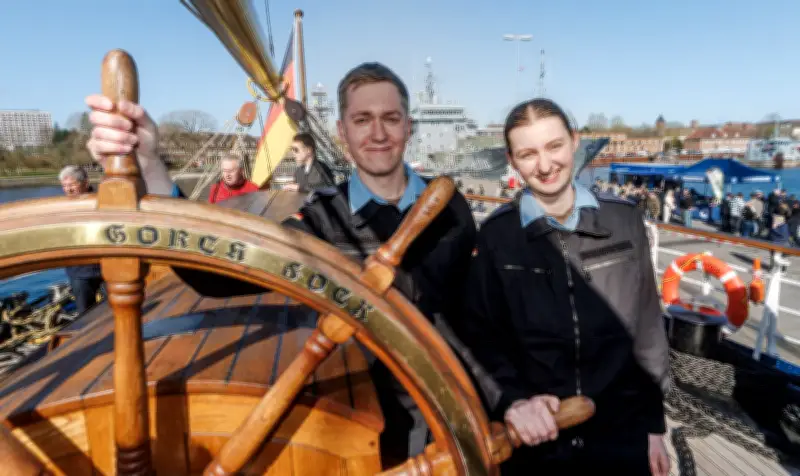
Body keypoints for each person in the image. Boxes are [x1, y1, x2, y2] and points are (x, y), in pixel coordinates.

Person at [84, 62, 477, 467]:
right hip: (372, 415)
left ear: (407, 127)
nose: (378, 133)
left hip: (460, 401)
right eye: (362, 119)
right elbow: (214, 277)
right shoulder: (323, 218)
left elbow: (480, 311)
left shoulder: (452, 207)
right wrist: (150, 165)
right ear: (343, 132)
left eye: (390, 119)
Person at [455, 98, 670, 475]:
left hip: (620, 429)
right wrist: (513, 401)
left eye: (554, 146)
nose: (544, 165)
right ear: (512, 159)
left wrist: (654, 424)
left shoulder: (624, 221)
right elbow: (480, 337)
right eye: (527, 153)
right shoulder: (497, 237)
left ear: (574, 141)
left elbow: (648, 326)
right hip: (538, 435)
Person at [59, 165, 104, 314]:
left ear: (85, 183)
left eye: (72, 185)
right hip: (78, 270)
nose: (68, 189)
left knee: (113, 310)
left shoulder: (103, 201)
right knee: (85, 315)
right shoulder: (61, 208)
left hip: (105, 266)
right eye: (64, 186)